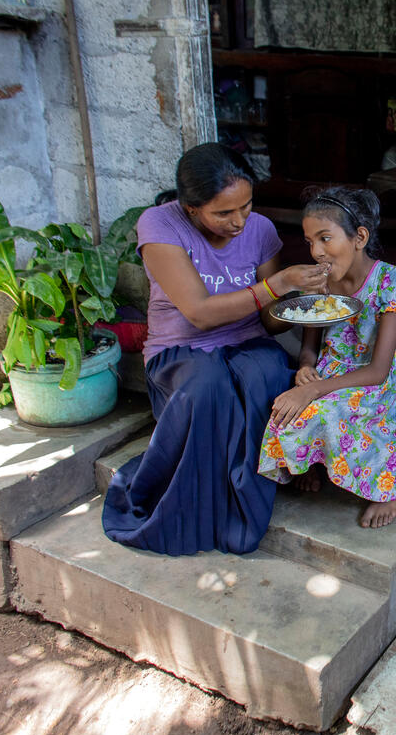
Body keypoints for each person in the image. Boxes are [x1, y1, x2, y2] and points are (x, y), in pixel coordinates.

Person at [102, 143, 329, 555]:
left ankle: (266, 482)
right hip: (181, 350)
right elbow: (200, 314)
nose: (239, 221)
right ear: (190, 207)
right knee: (209, 389)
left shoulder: (260, 230)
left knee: (272, 374)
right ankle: (197, 510)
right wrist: (276, 285)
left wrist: (304, 304)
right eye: (223, 213)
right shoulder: (160, 224)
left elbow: (269, 321)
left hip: (247, 342)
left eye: (246, 206)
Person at [258, 187, 396, 529]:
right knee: (288, 412)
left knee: (326, 412)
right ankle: (315, 462)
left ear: (359, 237)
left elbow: (378, 370)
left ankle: (387, 488)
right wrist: (306, 367)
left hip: (374, 379)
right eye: (310, 241)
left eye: (325, 239)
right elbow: (311, 337)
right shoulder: (321, 281)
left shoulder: (390, 281)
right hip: (330, 368)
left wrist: (314, 390)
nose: (316, 252)